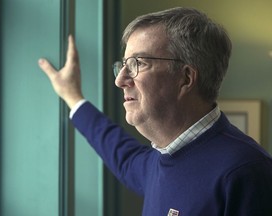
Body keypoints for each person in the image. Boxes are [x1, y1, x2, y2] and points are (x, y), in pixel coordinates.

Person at [38, 7, 272, 216]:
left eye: (138, 64)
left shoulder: (247, 172)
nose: (120, 80)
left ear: (186, 78)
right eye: (123, 65)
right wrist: (73, 97)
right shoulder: (157, 162)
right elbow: (119, 151)